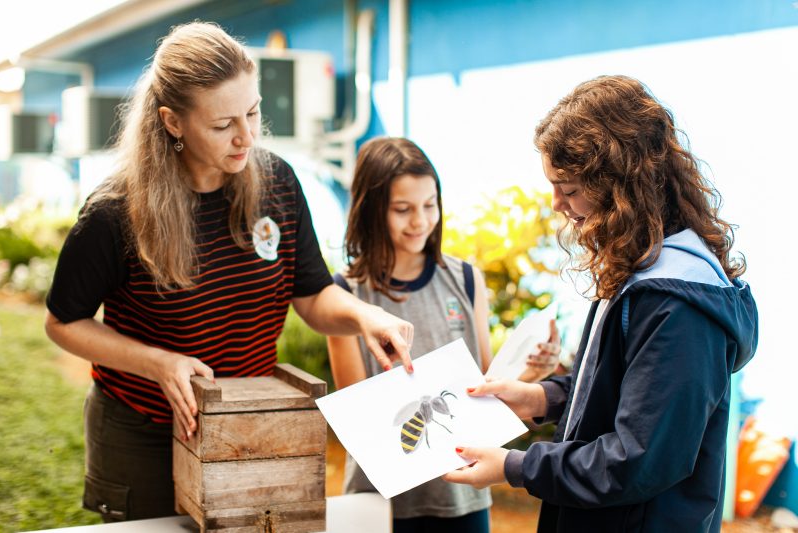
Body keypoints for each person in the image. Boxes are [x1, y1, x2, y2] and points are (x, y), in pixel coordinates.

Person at [44, 22, 415, 522]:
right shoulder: (114, 212)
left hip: (247, 423)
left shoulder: (278, 182)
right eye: (223, 125)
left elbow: (312, 295)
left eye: (253, 112)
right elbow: (63, 322)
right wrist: (160, 364)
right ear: (173, 122)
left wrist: (364, 316)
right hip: (145, 432)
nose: (247, 136)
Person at [443, 75, 758, 532]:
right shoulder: (644, 268)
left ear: (621, 188)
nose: (556, 203)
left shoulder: (678, 306)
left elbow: (638, 459)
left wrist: (516, 466)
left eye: (569, 189)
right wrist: (541, 397)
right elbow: (620, 388)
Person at [326, 137, 561, 533]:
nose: (420, 221)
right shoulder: (346, 295)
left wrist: (533, 372)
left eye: (429, 205)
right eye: (403, 209)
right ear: (371, 209)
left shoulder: (465, 279)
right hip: (380, 505)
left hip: (462, 497)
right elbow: (357, 415)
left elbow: (486, 386)